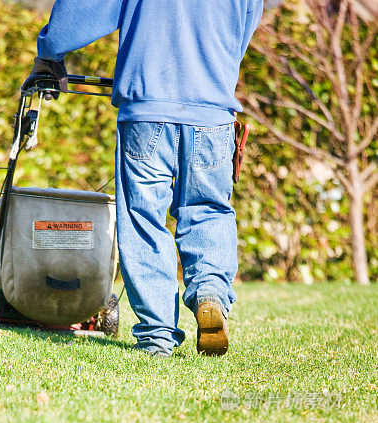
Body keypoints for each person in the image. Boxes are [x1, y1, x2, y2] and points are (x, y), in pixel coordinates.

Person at [25, 0, 264, 357]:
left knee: (143, 220)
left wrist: (50, 49)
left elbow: (84, 10)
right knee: (208, 209)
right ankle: (210, 293)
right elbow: (243, 29)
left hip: (146, 107)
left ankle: (157, 335)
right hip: (213, 109)